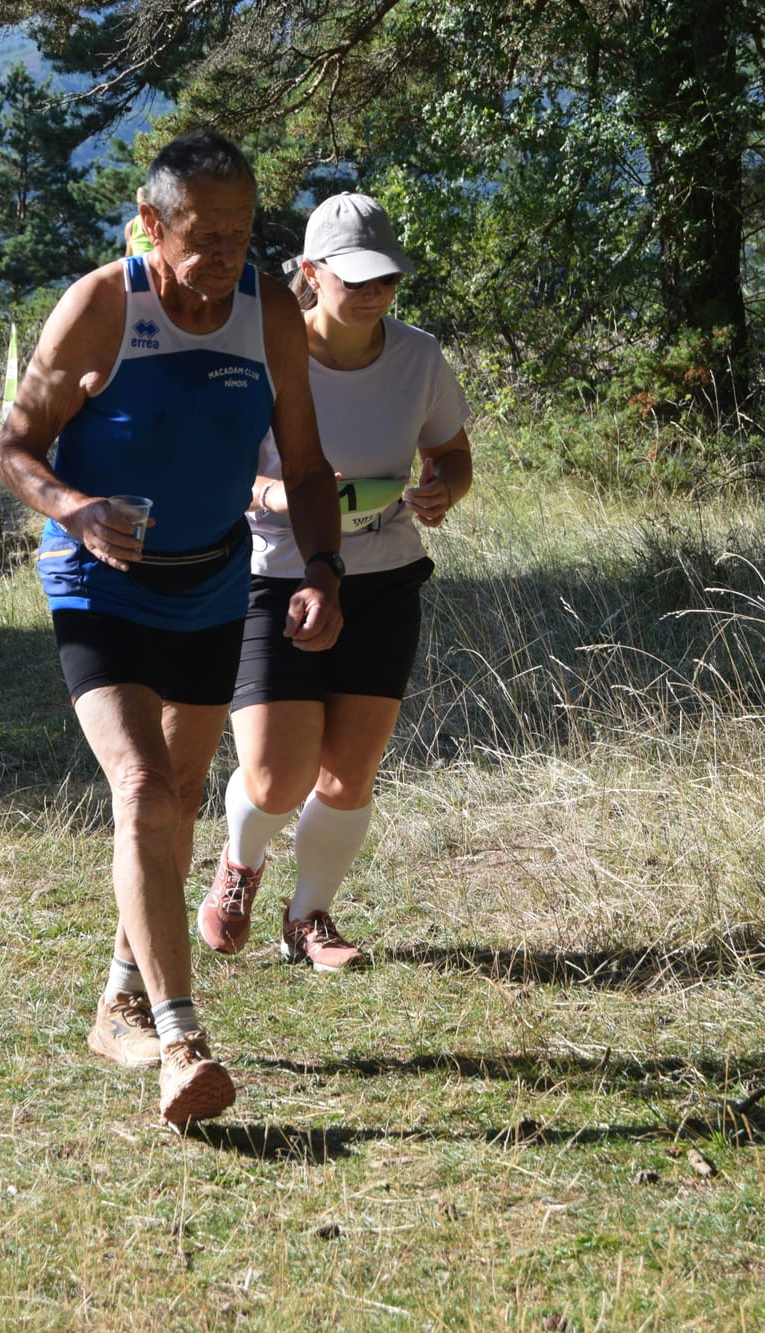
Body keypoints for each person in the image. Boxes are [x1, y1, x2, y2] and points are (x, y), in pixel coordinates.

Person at [0, 129, 345, 1128]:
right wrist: (73, 508)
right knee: (142, 784)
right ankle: (179, 1039)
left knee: (183, 796)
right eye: (207, 230)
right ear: (152, 222)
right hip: (97, 586)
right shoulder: (105, 306)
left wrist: (319, 568)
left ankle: (118, 998)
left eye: (243, 230)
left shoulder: (267, 309)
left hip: (211, 584)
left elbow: (307, 464)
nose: (229, 250)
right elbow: (11, 446)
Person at [199, 192, 473, 973]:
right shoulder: (261, 353)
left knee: (349, 775)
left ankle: (309, 916)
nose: (375, 293)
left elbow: (452, 452)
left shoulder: (417, 356)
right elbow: (221, 468)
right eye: (356, 279)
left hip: (383, 576)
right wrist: (271, 494)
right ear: (311, 274)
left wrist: (441, 489)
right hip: (275, 573)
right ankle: (240, 862)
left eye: (386, 278)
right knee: (277, 778)